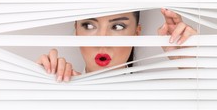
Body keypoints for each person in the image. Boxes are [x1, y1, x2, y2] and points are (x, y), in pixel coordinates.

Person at [36, 8, 197, 82]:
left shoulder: (157, 101)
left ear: (136, 33)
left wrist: (191, 67)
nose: (103, 40)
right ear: (76, 31)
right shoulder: (61, 92)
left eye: (118, 26)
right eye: (89, 26)